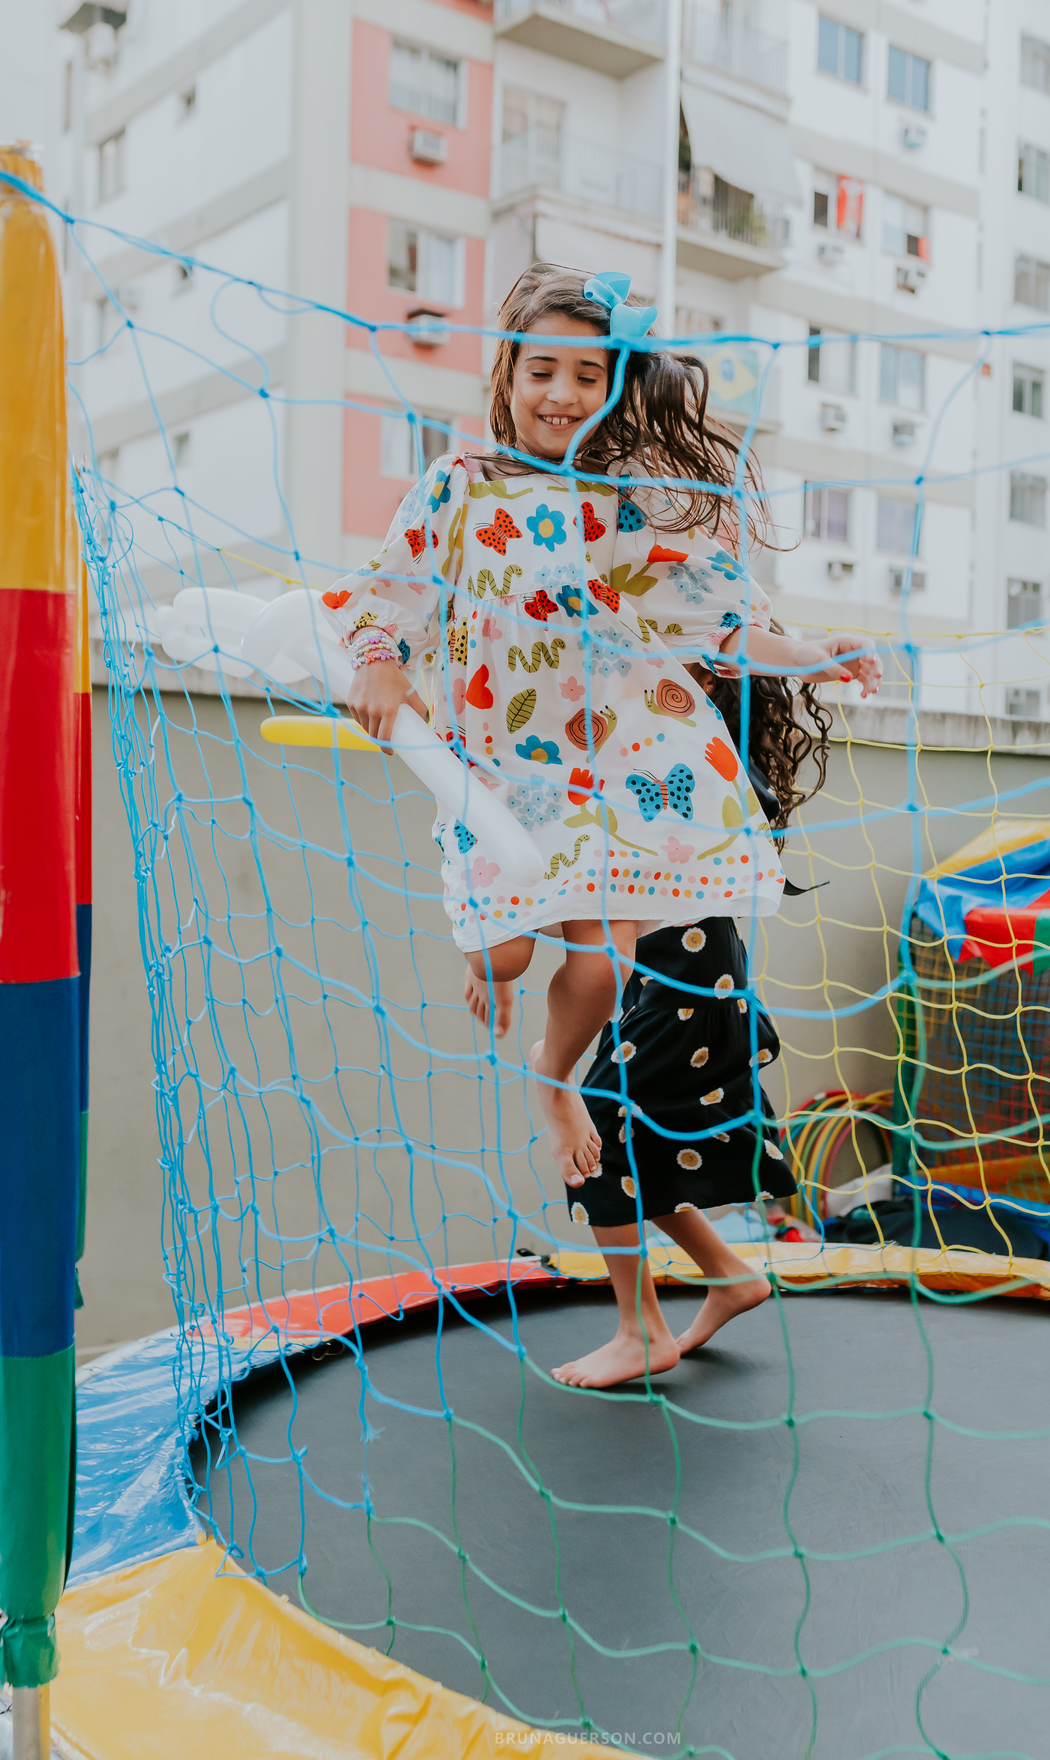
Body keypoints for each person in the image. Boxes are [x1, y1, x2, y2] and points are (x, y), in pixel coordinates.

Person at [326, 264, 880, 1379]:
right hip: (510, 774)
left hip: (628, 780)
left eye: (591, 374)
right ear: (507, 373)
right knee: (517, 951)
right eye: (545, 370)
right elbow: (380, 598)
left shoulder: (619, 509)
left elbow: (719, 619)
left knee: (593, 997)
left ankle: (635, 1308)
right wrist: (383, 661)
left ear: (617, 387)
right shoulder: (462, 485)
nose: (565, 393)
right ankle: (547, 1065)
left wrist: (816, 651)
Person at [545, 663, 832, 1389]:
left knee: (599, 1146)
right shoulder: (680, 762)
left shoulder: (655, 764)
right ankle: (729, 1274)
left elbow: (595, 910)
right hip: (685, 976)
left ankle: (642, 1332)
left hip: (683, 980)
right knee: (634, 1144)